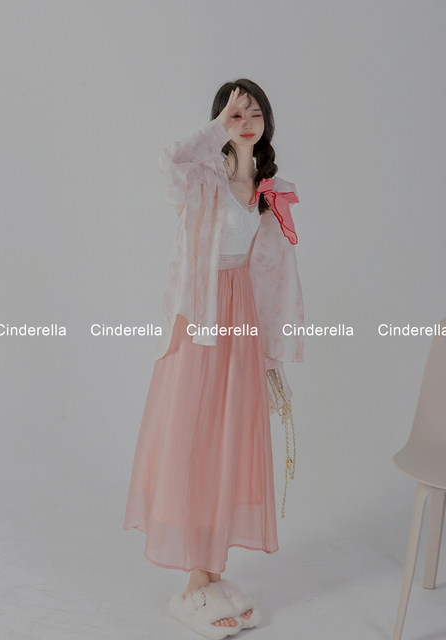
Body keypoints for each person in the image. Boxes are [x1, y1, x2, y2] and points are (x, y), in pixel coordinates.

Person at [123, 78, 304, 638]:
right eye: (234, 113)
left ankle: (213, 574)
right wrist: (215, 128)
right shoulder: (201, 177)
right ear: (220, 120)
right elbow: (168, 158)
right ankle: (194, 584)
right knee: (195, 438)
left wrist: (271, 354)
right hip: (202, 320)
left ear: (267, 122)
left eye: (253, 112)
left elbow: (272, 274)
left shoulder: (271, 190)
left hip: (242, 319)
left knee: (228, 439)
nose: (244, 121)